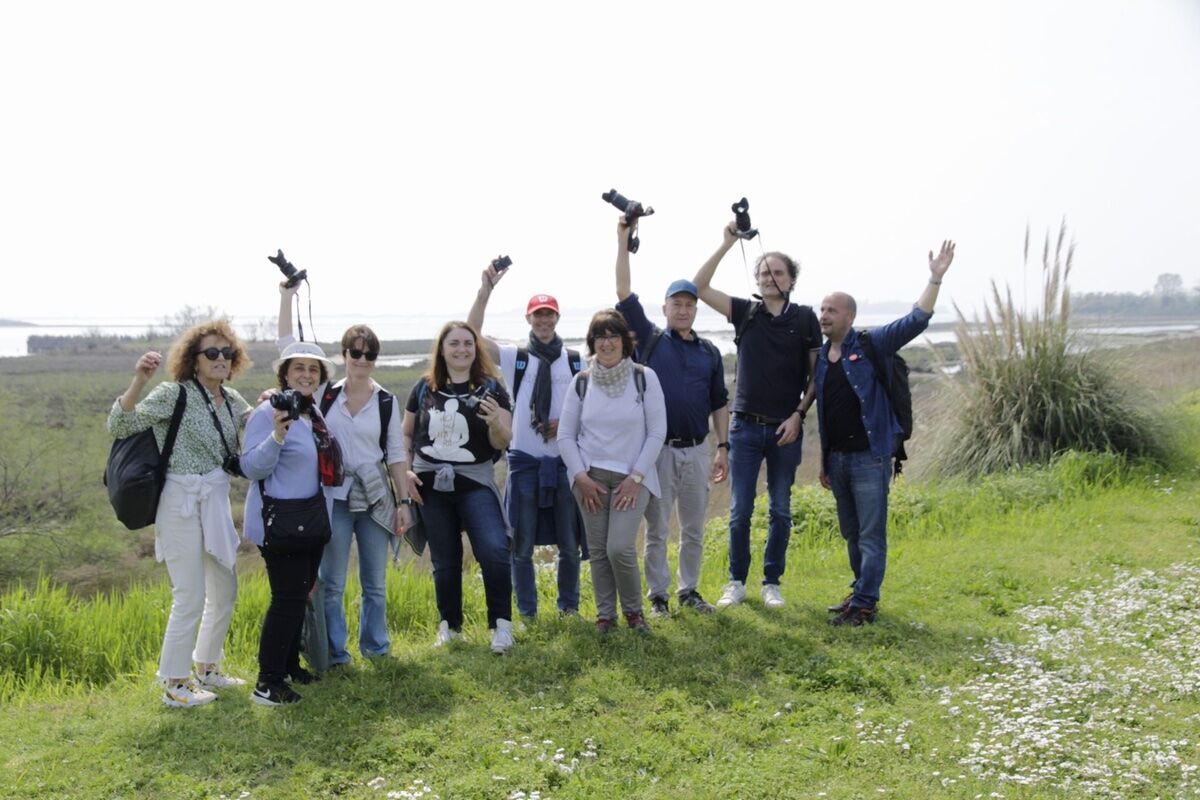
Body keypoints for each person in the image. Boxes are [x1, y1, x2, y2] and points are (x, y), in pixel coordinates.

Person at [107, 321, 253, 708]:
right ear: (194, 359)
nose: (220, 359)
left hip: (215, 500)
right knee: (190, 593)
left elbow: (255, 424)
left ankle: (207, 668)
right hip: (181, 501)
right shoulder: (174, 394)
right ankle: (175, 683)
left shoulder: (232, 399)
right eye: (211, 353)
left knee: (225, 589)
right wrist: (139, 380)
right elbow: (119, 423)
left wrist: (274, 402)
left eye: (226, 353)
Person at [817, 241, 956, 626]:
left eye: (832, 310)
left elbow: (916, 320)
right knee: (851, 532)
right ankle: (859, 591)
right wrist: (825, 460)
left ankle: (864, 603)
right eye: (822, 309)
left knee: (871, 535)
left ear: (850, 316)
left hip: (869, 457)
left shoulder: (871, 343)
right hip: (839, 461)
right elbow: (825, 412)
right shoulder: (821, 358)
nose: (824, 315)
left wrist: (935, 278)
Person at [277, 284, 412, 668]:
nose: (362, 359)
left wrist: (403, 503)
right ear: (344, 355)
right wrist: (287, 297)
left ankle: (376, 647)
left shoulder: (386, 400)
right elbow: (290, 350)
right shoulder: (324, 395)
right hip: (333, 498)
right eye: (356, 352)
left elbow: (396, 455)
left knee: (375, 583)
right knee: (332, 581)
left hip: (374, 498)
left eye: (370, 354)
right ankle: (336, 653)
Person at [693, 221, 822, 609]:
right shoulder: (745, 312)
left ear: (791, 280)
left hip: (786, 429)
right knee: (740, 511)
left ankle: (772, 582)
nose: (770, 277)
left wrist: (799, 414)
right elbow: (699, 287)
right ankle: (736, 581)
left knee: (781, 509)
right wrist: (726, 244)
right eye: (764, 272)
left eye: (777, 272)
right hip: (744, 427)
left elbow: (816, 378)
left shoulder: (804, 319)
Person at [612, 218, 729, 616]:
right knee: (658, 529)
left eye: (689, 304)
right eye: (676, 303)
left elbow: (719, 403)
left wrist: (722, 447)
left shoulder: (710, 353)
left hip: (697, 451)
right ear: (664, 308)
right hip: (657, 452)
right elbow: (624, 293)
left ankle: (689, 591)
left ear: (696, 309)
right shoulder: (649, 340)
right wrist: (622, 240)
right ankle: (658, 596)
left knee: (694, 529)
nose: (683, 309)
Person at [468, 269, 583, 620]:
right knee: (520, 544)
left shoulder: (576, 359)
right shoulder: (515, 357)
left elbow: (587, 409)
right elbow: (471, 334)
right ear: (529, 319)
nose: (544, 320)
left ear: (557, 318)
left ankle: (568, 608)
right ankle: (528, 612)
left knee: (569, 544)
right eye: (538, 315)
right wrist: (484, 291)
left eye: (549, 314)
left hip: (565, 461)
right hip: (525, 461)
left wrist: (564, 424)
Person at [402, 321, 517, 653]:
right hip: (429, 482)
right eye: (454, 343)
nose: (461, 349)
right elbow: (407, 434)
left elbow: (503, 440)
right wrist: (406, 472)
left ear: (476, 348)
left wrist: (495, 421)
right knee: (445, 557)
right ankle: (449, 627)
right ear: (442, 348)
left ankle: (502, 626)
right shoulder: (424, 387)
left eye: (468, 343)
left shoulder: (492, 388)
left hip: (475, 480)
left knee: (494, 549)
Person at [241, 341, 341, 705]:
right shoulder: (268, 413)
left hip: (310, 520)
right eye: (298, 368)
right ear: (284, 374)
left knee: (300, 596)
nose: (306, 375)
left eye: (313, 370)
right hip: (279, 522)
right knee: (286, 599)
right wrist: (277, 437)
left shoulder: (312, 412)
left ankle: (288, 666)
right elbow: (251, 467)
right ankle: (267, 682)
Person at [558, 310, 667, 633]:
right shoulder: (581, 382)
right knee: (597, 551)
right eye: (600, 336)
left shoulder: (643, 377)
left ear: (625, 341)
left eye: (613, 335)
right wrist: (580, 477)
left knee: (618, 547)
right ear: (592, 342)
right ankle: (606, 616)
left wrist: (636, 479)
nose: (606, 343)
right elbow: (565, 435)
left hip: (633, 479)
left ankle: (635, 613)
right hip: (589, 479)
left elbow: (657, 432)